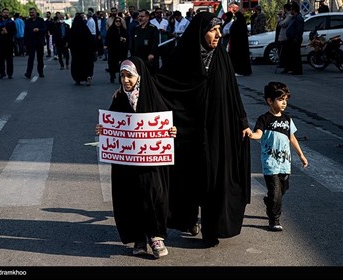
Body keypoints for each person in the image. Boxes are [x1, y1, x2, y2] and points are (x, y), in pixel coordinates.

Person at [154, 12, 252, 247]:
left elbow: (232, 91)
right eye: (212, 30)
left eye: (219, 30)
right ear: (200, 32)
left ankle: (212, 229)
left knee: (215, 178)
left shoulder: (221, 57)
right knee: (190, 178)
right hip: (189, 132)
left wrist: (242, 121)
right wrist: (133, 89)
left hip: (218, 128)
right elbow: (162, 84)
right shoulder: (183, 57)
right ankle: (188, 219)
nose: (218, 35)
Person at [96, 57, 177, 258]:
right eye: (122, 76)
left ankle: (156, 236)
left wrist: (172, 131)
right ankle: (139, 238)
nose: (125, 80)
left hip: (151, 164)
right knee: (131, 197)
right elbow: (112, 124)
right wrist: (103, 129)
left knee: (154, 194)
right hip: (127, 165)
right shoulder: (119, 99)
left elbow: (165, 124)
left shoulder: (153, 97)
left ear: (139, 76)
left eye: (129, 76)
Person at [248, 82, 308, 231]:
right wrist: (251, 134)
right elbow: (258, 134)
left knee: (282, 190)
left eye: (286, 100)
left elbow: (292, 137)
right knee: (276, 193)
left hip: (285, 164)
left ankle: (269, 202)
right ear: (270, 101)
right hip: (270, 163)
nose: (284, 103)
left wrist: (301, 155)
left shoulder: (287, 119)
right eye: (280, 99)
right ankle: (274, 219)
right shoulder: (264, 119)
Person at [68, 14, 96, 86]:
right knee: (87, 64)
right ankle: (88, 77)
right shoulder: (85, 28)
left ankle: (77, 79)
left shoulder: (73, 29)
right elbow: (90, 39)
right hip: (86, 51)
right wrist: (93, 49)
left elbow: (70, 40)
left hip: (76, 52)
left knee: (76, 65)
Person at [0, 8, 16, 79]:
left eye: (7, 12)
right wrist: (1, 33)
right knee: (1, 59)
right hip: (1, 43)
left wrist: (7, 32)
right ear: (2, 13)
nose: (6, 14)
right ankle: (2, 73)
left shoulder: (11, 22)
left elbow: (14, 32)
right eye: (4, 12)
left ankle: (10, 73)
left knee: (9, 59)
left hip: (9, 42)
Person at [24, 7, 46, 79]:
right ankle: (28, 73)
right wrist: (25, 43)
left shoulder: (41, 20)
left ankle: (41, 72)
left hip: (39, 42)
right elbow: (26, 32)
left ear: (36, 13)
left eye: (32, 12)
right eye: (30, 13)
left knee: (40, 58)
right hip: (31, 42)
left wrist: (38, 29)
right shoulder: (27, 21)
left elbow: (44, 29)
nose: (31, 14)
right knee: (31, 58)